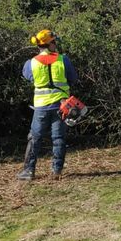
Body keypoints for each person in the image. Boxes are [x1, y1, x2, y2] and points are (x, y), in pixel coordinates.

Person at [18, 29, 78, 180]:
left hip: (41, 107)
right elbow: (73, 78)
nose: (55, 44)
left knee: (34, 138)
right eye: (54, 42)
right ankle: (56, 171)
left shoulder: (31, 63)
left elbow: (29, 77)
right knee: (58, 138)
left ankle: (28, 171)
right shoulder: (63, 60)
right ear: (50, 44)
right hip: (61, 105)